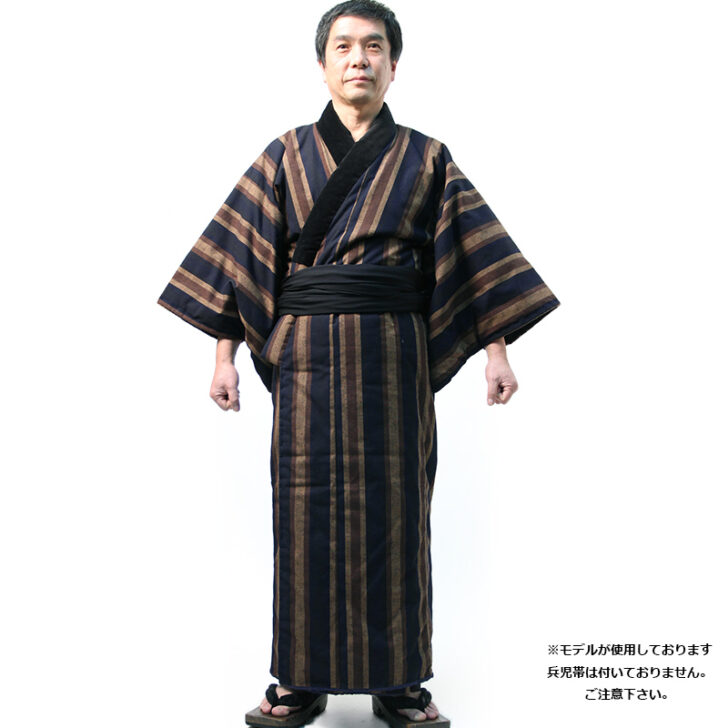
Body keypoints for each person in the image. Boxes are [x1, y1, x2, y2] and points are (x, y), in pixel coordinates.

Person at [158, 2, 559, 725]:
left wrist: (496, 350)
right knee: (302, 511)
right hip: (306, 359)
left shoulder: (427, 157)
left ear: (393, 66)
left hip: (393, 357)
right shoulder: (284, 155)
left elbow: (470, 257)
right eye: (343, 47)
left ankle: (399, 681)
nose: (358, 59)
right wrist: (223, 358)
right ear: (322, 65)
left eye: (373, 47)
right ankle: (298, 679)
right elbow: (241, 260)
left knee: (397, 511)